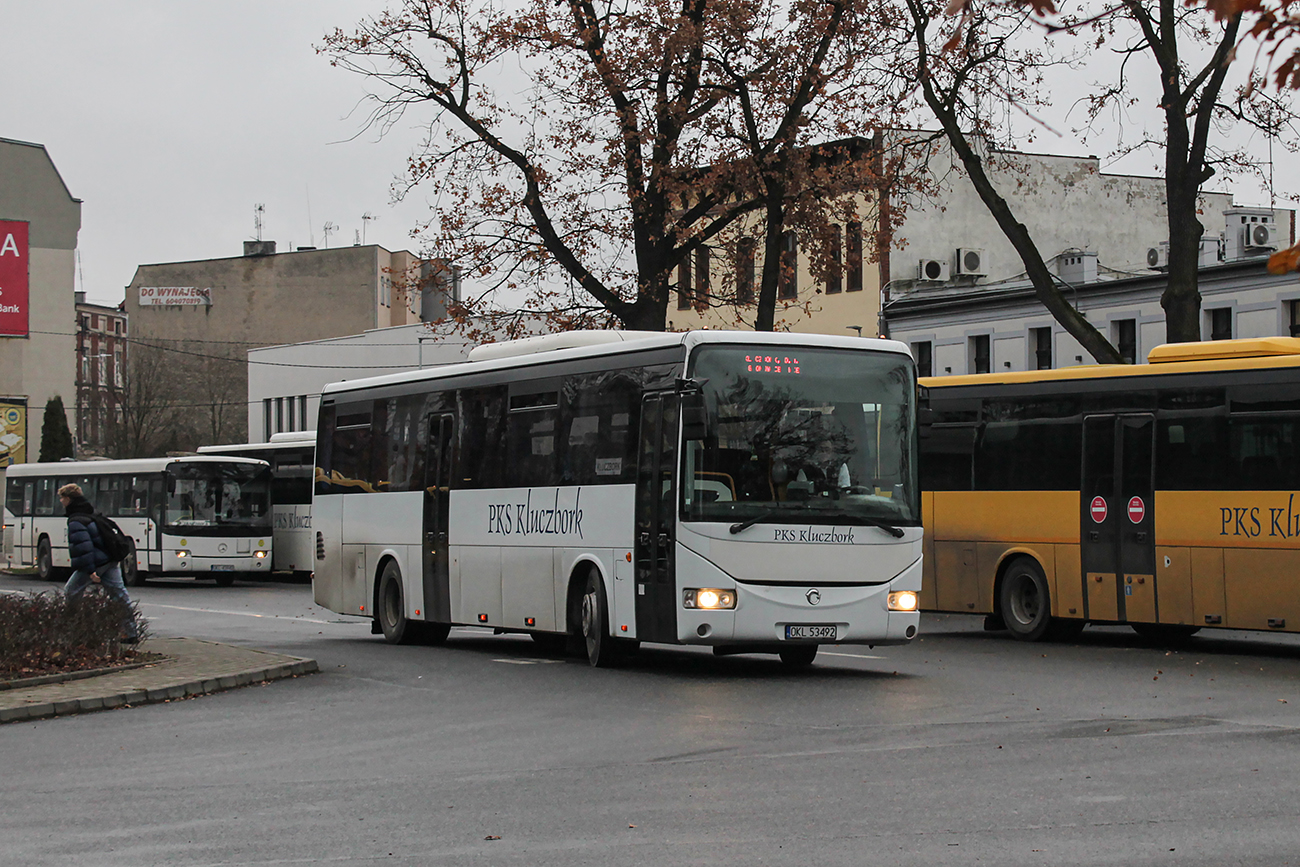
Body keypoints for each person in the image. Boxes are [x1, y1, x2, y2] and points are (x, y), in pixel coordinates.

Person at [59, 483, 139, 643]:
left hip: (96, 563)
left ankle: (72, 629)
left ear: (68, 498)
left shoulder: (75, 519)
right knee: (119, 594)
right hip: (109, 560)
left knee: (71, 591)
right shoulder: (91, 512)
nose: (61, 501)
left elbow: (84, 547)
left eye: (62, 498)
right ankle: (130, 632)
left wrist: (90, 571)